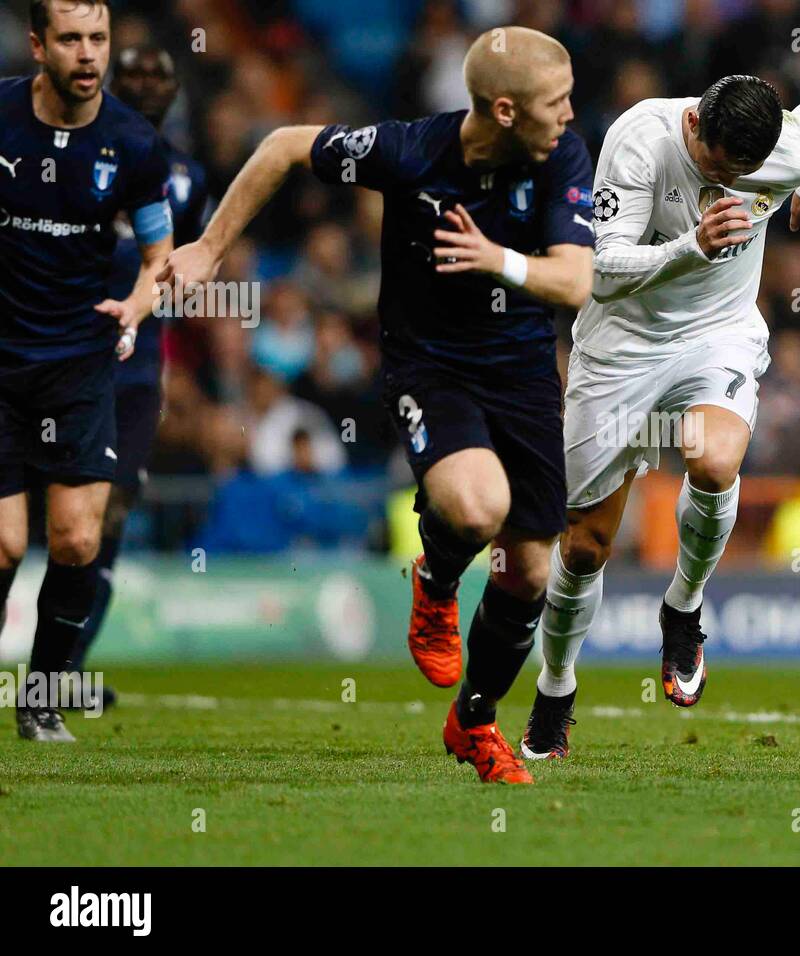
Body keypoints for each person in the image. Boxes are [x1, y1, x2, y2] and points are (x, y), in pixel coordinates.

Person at [160, 26, 594, 784]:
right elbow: (282, 147)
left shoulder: (563, 155)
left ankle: (474, 721)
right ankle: (434, 581)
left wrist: (498, 261)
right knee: (475, 508)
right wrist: (210, 247)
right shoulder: (407, 151)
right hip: (431, 369)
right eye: (554, 101)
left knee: (528, 571)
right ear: (502, 109)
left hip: (523, 375)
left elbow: (575, 279)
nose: (568, 113)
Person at [521, 75, 800, 760]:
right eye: (716, 166)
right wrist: (690, 247)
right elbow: (599, 273)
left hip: (717, 334)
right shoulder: (640, 140)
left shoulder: (785, 146)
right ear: (696, 124)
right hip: (621, 347)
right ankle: (556, 688)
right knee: (585, 545)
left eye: (743, 175)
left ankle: (684, 607)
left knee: (714, 460)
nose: (727, 181)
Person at [0, 0, 174, 741]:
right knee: (4, 544)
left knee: (76, 540)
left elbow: (161, 257)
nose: (88, 54)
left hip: (79, 360)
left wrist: (136, 304)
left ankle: (39, 698)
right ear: (39, 45)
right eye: (70, 39)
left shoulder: (134, 144)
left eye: (98, 38)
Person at [65, 43, 210, 707]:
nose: (148, 84)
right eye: (136, 73)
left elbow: (189, 272)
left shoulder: (187, 177)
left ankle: (64, 672)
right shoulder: (69, 148)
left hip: (136, 365)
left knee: (112, 509)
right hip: (54, 349)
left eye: (160, 74)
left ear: (177, 91)